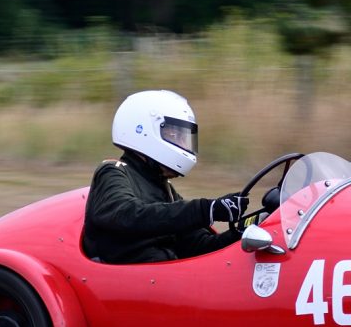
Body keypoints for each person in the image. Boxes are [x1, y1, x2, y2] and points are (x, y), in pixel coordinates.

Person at [82, 90, 244, 264]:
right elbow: (129, 216)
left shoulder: (163, 187)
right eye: (175, 135)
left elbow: (199, 247)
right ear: (141, 130)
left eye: (185, 138)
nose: (184, 144)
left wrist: (245, 230)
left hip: (162, 281)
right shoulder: (113, 171)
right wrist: (206, 209)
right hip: (128, 283)